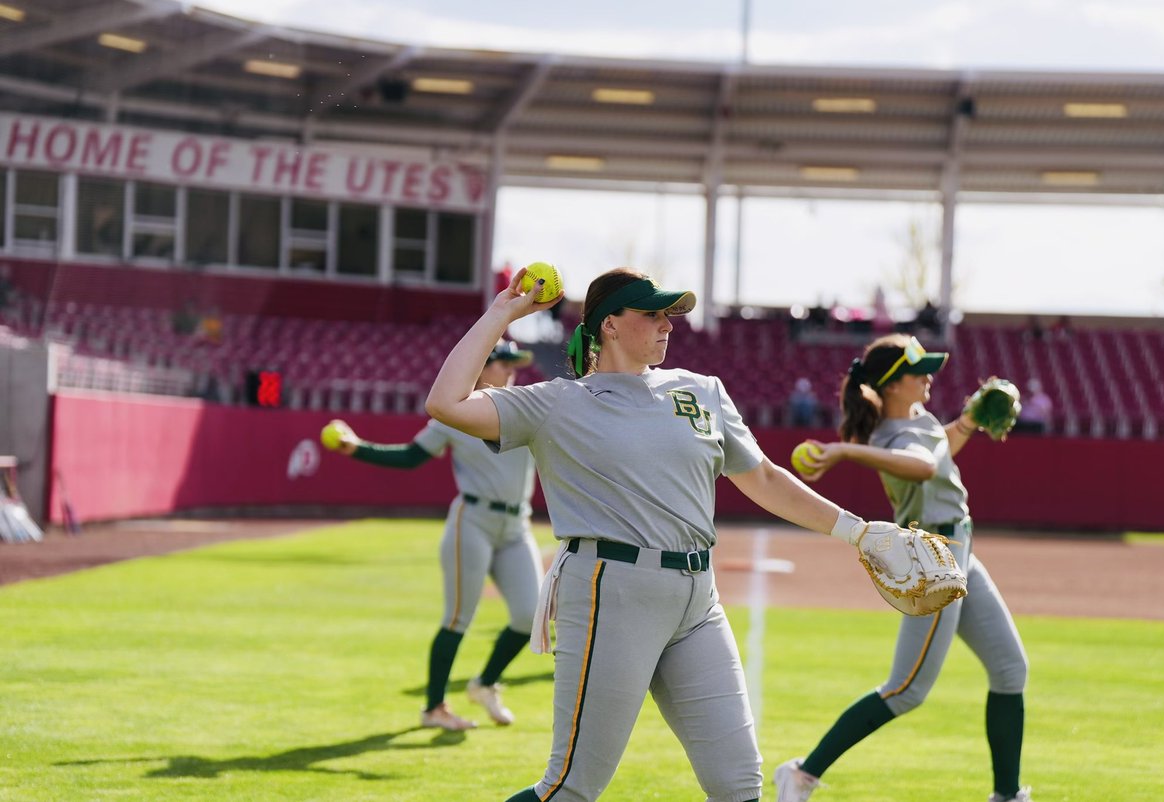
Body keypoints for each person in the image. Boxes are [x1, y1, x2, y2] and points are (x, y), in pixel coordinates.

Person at [425, 266, 912, 802]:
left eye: (669, 314)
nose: (668, 325)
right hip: (611, 594)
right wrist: (502, 314)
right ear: (610, 325)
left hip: (697, 602)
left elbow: (766, 479)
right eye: (652, 313)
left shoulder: (702, 391)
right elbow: (445, 403)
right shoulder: (556, 402)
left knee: (738, 783)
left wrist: (860, 533)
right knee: (571, 787)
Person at [775, 334, 1032, 802]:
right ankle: (801, 774)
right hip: (933, 558)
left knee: (1010, 669)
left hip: (960, 550)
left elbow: (937, 450)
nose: (929, 377)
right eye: (919, 371)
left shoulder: (918, 419)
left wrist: (969, 422)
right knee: (907, 689)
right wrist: (845, 450)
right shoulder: (887, 437)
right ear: (892, 385)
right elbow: (919, 466)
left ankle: (1008, 795)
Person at [323, 340, 543, 732]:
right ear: (482, 365)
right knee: (459, 617)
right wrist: (355, 448)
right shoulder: (455, 411)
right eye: (504, 363)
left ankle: (485, 684)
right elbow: (411, 457)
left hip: (516, 525)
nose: (512, 371)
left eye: (514, 365)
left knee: (531, 616)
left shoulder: (528, 408)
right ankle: (434, 708)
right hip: (472, 520)